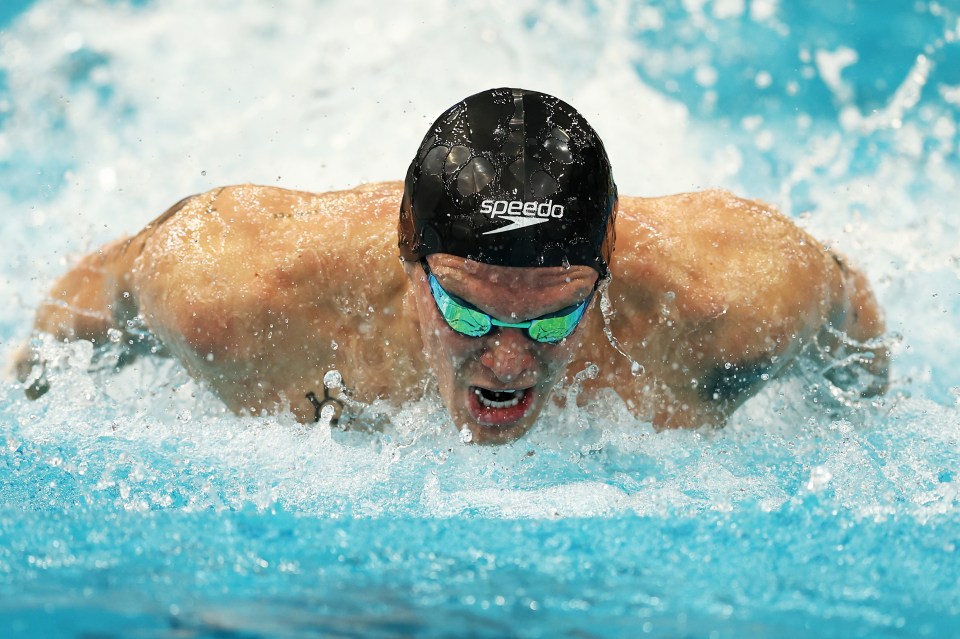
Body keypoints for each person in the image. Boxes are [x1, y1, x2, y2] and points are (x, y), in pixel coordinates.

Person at [12, 88, 889, 444]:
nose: (509, 361)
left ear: (609, 259)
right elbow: (95, 299)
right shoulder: (235, 290)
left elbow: (850, 315)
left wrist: (862, 412)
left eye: (552, 316)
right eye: (468, 312)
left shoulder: (734, 300)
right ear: (408, 251)